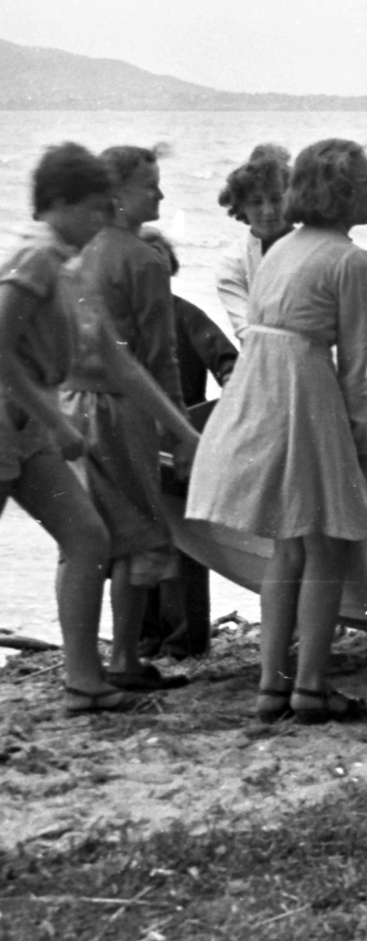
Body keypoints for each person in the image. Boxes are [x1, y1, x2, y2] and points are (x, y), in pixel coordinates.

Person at [185, 139, 367, 725]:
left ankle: (272, 684)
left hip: (258, 388)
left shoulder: (280, 249)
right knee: (326, 540)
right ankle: (312, 687)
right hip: (304, 391)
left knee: (286, 545)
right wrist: (363, 448)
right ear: (345, 194)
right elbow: (354, 369)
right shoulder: (352, 260)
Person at [0, 143, 200, 714]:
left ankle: (85, 680)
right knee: (88, 539)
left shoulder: (70, 264)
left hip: (30, 428)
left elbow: (117, 362)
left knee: (89, 538)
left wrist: (182, 432)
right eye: (92, 209)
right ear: (57, 203)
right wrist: (54, 418)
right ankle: (87, 676)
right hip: (11, 424)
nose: (100, 219)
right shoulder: (36, 257)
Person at [63, 144, 187, 692]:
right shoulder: (142, 260)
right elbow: (160, 358)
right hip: (121, 408)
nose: (160, 194)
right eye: (150, 186)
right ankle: (125, 659)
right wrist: (181, 430)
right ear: (117, 195)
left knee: (88, 535)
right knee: (138, 531)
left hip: (69, 406)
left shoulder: (77, 252)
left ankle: (84, 660)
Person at [137, 230, 237, 661]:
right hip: (134, 444)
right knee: (138, 542)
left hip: (180, 449)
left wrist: (212, 423)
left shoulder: (185, 316)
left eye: (159, 270)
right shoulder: (123, 323)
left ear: (171, 272)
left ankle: (185, 641)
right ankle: (146, 637)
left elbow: (230, 365)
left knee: (183, 546)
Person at [215, 144, 293, 337]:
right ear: (241, 206)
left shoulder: (315, 249)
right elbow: (245, 331)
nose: (268, 211)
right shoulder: (233, 263)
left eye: (276, 199)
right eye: (256, 202)